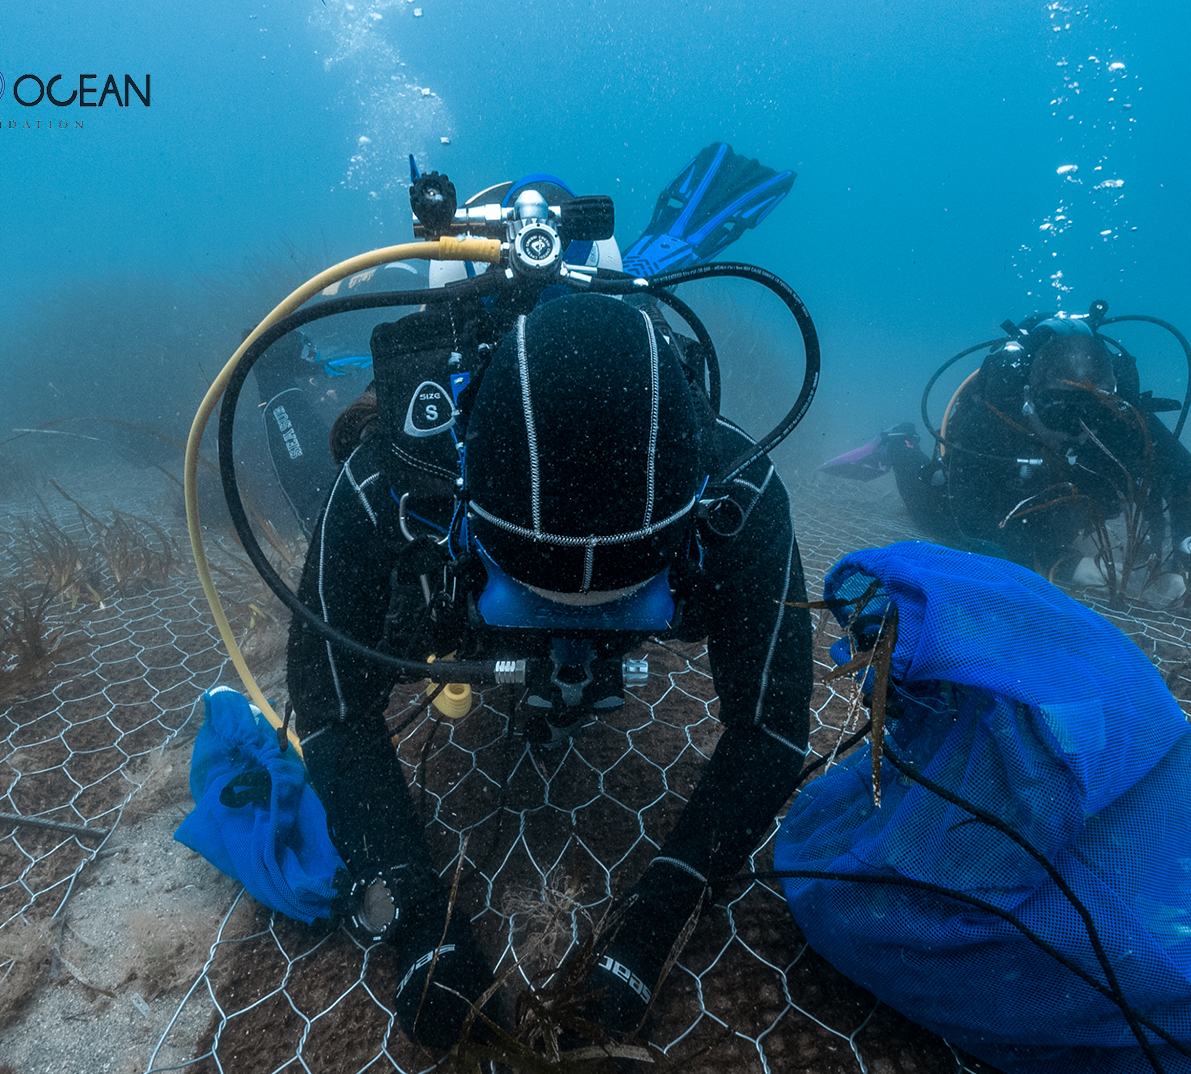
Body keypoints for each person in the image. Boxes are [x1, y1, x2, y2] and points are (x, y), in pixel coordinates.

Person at [284, 151, 811, 1055]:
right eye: (540, 589)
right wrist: (419, 923)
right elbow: (330, 702)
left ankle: (620, 258)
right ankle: (285, 377)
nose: (581, 615)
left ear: (685, 510)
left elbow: (772, 727)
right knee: (314, 484)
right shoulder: (399, 478)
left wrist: (648, 932)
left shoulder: (732, 488)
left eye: (621, 596)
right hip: (452, 476)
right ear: (463, 512)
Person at [881, 313, 1191, 601]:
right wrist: (1059, 562)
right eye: (1059, 415)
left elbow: (1187, 479)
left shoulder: (1118, 417)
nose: (1075, 430)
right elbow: (972, 515)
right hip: (998, 488)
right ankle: (900, 442)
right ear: (1029, 399)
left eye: (1089, 415)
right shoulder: (995, 417)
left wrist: (1190, 565)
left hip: (1060, 498)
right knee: (934, 518)